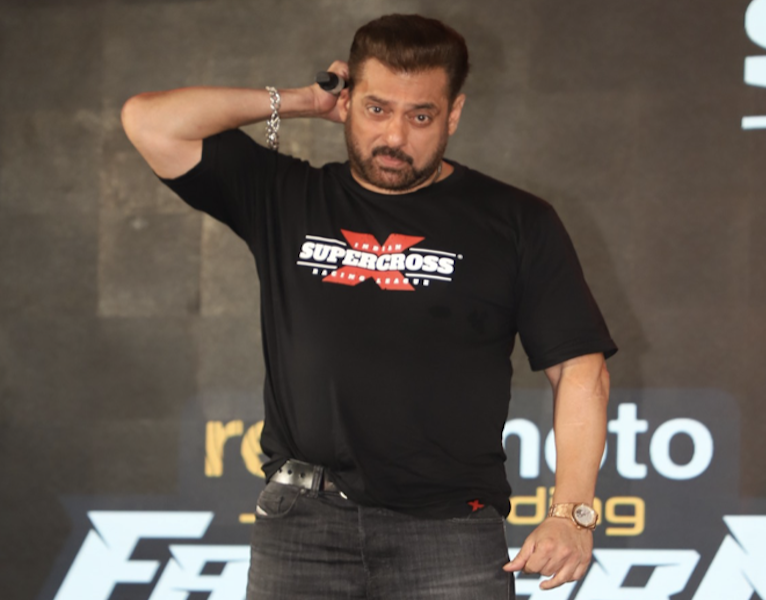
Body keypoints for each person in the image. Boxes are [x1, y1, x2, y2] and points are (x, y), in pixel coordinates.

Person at [121, 13, 616, 600]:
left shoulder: (516, 221)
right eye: (377, 109)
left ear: (453, 114)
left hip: (449, 535)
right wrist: (302, 101)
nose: (395, 137)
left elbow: (580, 369)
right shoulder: (286, 196)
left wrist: (572, 513)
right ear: (348, 100)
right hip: (301, 526)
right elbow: (148, 121)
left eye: (420, 116)